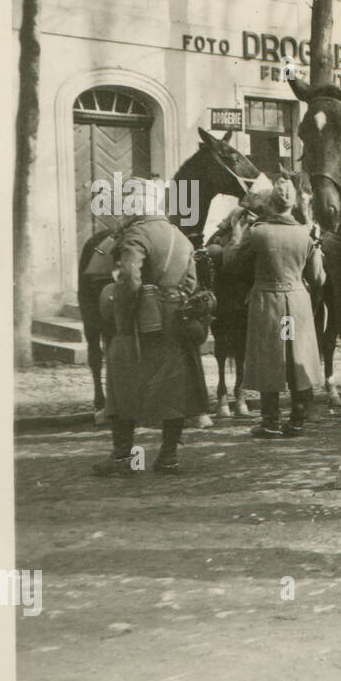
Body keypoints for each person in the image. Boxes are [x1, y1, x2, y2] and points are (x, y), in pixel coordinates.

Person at [92, 178, 203, 476]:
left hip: (143, 321)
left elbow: (129, 277)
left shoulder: (136, 234)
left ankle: (122, 458)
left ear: (138, 203)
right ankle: (168, 457)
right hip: (176, 321)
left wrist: (123, 317)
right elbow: (192, 283)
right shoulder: (181, 237)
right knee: (174, 385)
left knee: (120, 375)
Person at [226, 175, 326, 438]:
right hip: (297, 301)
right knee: (296, 357)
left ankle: (270, 420)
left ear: (270, 204)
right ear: (292, 205)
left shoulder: (257, 233)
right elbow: (318, 278)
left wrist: (236, 236)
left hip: (267, 300)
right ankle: (297, 419)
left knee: (269, 357)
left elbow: (233, 265)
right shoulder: (305, 234)